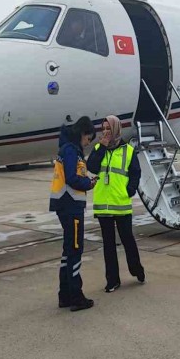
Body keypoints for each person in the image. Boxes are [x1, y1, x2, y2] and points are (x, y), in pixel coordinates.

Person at [87, 115, 145, 293]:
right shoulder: (99, 148)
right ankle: (112, 280)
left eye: (108, 128)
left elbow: (135, 173)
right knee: (108, 245)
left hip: (121, 204)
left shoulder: (128, 150)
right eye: (103, 128)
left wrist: (130, 190)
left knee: (128, 240)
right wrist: (102, 147)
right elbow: (91, 167)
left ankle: (136, 269)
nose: (105, 132)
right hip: (103, 205)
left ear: (116, 129)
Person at [49, 116, 97, 311]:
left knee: (68, 250)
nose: (88, 143)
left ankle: (65, 295)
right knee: (75, 249)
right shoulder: (71, 150)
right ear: (82, 133)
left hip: (66, 205)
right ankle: (76, 296)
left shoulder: (69, 149)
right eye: (88, 139)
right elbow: (72, 178)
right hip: (70, 206)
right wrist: (88, 183)